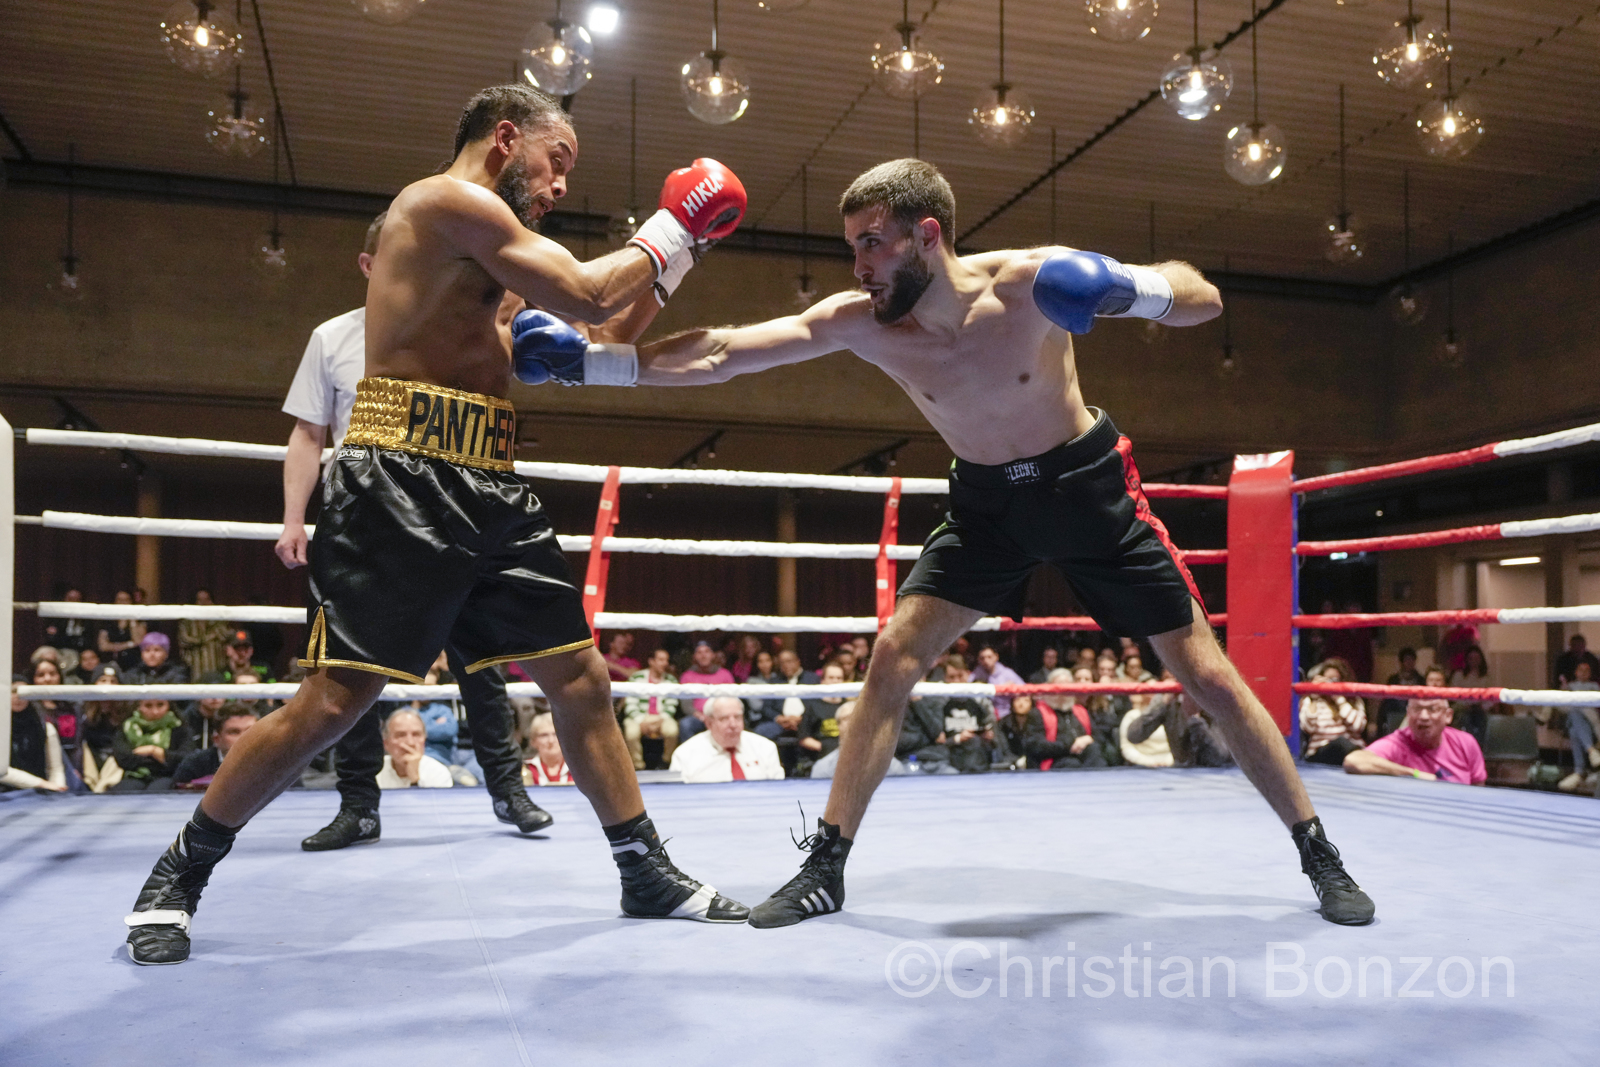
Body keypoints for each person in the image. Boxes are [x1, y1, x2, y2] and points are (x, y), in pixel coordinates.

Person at [513, 157, 1372, 926]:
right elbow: (729, 352)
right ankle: (826, 866)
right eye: (854, 247)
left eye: (874, 244)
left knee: (1207, 672)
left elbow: (1203, 296)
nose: (860, 265)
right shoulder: (866, 320)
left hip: (1089, 491)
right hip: (986, 505)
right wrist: (601, 364)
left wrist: (1127, 288)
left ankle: (1318, 851)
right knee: (892, 656)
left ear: (928, 234)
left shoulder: (1033, 283)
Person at [122, 83, 752, 966]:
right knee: (336, 701)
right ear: (505, 140)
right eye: (556, 161)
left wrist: (683, 257)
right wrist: (674, 224)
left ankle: (643, 868)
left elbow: (608, 324)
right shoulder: (443, 202)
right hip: (401, 476)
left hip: (489, 478)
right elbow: (584, 288)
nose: (563, 185)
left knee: (578, 678)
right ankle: (178, 874)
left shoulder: (494, 257)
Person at [269, 208, 566, 850]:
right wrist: (295, 519)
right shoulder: (334, 337)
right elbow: (307, 432)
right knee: (346, 671)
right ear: (370, 266)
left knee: (481, 661)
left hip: (451, 510)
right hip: (367, 517)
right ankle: (358, 804)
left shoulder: (456, 332)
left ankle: (508, 789)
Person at [1342, 685, 1486, 785]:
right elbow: (1354, 761)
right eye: (1417, 709)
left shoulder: (1466, 743)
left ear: (1448, 716)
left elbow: (1479, 788)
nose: (1423, 716)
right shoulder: (1398, 742)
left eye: (1432, 709)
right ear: (1408, 714)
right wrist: (1414, 774)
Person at [668, 696, 784, 783]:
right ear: (709, 723)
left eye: (738, 717)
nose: (733, 724)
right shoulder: (685, 754)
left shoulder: (765, 748)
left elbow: (779, 793)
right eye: (724, 719)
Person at [1129, 689, 1234, 768]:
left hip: (1217, 774)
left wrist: (1195, 720)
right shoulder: (1169, 697)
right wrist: (1162, 704)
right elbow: (1133, 736)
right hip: (1181, 775)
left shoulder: (1217, 699)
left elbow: (1220, 757)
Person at [999, 692, 1104, 771]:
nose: (1063, 694)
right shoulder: (1038, 713)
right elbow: (1035, 745)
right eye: (1059, 689)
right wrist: (1069, 746)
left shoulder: (1080, 711)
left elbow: (1099, 738)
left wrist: (1088, 739)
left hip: (1082, 754)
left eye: (1067, 688)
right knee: (1071, 764)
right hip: (1054, 758)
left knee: (1095, 752)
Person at [111, 698, 194, 792]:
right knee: (124, 792)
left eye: (160, 705)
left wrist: (151, 750)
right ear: (138, 706)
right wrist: (160, 757)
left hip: (169, 776)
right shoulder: (127, 726)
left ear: (169, 706)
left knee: (158, 791)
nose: (155, 711)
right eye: (148, 706)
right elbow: (122, 758)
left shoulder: (180, 728)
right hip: (134, 776)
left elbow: (185, 759)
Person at [812, 701, 910, 780]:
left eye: (858, 717)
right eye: (847, 718)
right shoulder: (822, 768)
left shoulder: (892, 767)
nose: (853, 722)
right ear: (838, 725)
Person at [1298, 659, 1367, 766]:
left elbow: (1358, 726)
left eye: (1334, 680)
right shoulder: (1312, 700)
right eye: (1327, 680)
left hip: (1351, 751)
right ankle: (1364, 760)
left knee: (1372, 750)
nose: (1330, 684)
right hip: (1321, 752)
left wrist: (1339, 699)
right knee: (1339, 743)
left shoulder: (1354, 700)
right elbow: (1308, 728)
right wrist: (1314, 696)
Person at [172, 705, 259, 789]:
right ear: (216, 739)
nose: (244, 738)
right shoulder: (193, 766)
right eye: (234, 732)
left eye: (251, 731)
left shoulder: (271, 763)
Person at [4, 679, 69, 792]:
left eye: (24, 692)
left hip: (39, 796)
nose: (18, 696)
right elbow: (2, 772)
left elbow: (55, 768)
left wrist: (58, 788)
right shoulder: (2, 729)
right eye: (13, 691)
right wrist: (41, 783)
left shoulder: (45, 727)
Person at [622, 647, 680, 770]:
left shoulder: (671, 680)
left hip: (661, 717)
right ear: (651, 661)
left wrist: (661, 720)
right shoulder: (637, 678)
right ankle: (638, 766)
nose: (665, 663)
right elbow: (630, 703)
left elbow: (671, 705)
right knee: (631, 733)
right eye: (661, 660)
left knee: (672, 730)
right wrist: (641, 721)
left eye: (666, 660)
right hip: (639, 716)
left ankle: (665, 763)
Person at [375, 709, 454, 789]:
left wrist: (415, 779)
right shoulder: (374, 771)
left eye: (416, 735)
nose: (410, 743)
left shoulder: (438, 773)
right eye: (401, 735)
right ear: (385, 743)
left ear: (424, 740)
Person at [677, 640, 735, 741]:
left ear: (712, 655)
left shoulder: (725, 674)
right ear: (695, 656)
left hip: (721, 716)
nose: (703, 655)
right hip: (698, 718)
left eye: (707, 651)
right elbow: (686, 706)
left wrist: (720, 716)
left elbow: (732, 700)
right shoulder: (687, 676)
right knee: (685, 724)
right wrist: (703, 717)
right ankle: (690, 756)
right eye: (699, 652)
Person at [1557, 660, 1600, 793]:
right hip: (1576, 718)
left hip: (1592, 722)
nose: (1583, 673)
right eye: (1580, 670)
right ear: (1576, 672)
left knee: (1574, 730)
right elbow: (1562, 703)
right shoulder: (1571, 685)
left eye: (1586, 671)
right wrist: (1564, 686)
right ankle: (1591, 751)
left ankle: (1579, 772)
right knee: (1573, 712)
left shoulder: (1593, 686)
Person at [178, 590, 231, 680]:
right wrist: (206, 638)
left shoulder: (220, 621)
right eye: (200, 600)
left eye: (207, 600)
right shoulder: (186, 622)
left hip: (217, 667)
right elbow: (184, 640)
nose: (204, 604)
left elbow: (227, 636)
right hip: (195, 668)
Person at [1448, 644, 1495, 744]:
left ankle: (1480, 747)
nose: (1474, 661)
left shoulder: (1486, 678)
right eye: (1471, 658)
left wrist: (1483, 706)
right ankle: (1467, 745)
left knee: (1482, 720)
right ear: (1467, 660)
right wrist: (1466, 704)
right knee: (1465, 718)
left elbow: (1492, 698)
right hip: (1462, 709)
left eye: (1477, 658)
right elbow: (1454, 695)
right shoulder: (1459, 675)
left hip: (1480, 710)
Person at [1378, 647, 1423, 736]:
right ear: (1401, 662)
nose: (1409, 663)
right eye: (1407, 660)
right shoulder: (1393, 680)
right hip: (1396, 712)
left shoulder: (1421, 680)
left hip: (1416, 712)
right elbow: (1386, 702)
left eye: (1411, 660)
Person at [972, 644, 1023, 719]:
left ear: (996, 657)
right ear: (979, 660)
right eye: (982, 658)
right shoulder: (977, 673)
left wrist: (1013, 689)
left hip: (1006, 714)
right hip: (983, 714)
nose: (986, 661)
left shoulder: (1007, 673)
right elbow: (969, 691)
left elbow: (1025, 690)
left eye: (989, 657)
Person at [98, 591, 146, 672]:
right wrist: (129, 644)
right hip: (111, 661)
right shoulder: (107, 621)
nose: (123, 603)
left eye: (126, 600)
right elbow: (103, 646)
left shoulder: (139, 620)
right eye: (120, 600)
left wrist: (132, 619)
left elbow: (138, 641)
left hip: (134, 662)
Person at [526, 711, 574, 786]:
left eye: (556, 734)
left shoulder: (578, 769)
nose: (551, 741)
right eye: (544, 735)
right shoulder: (525, 769)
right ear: (533, 741)